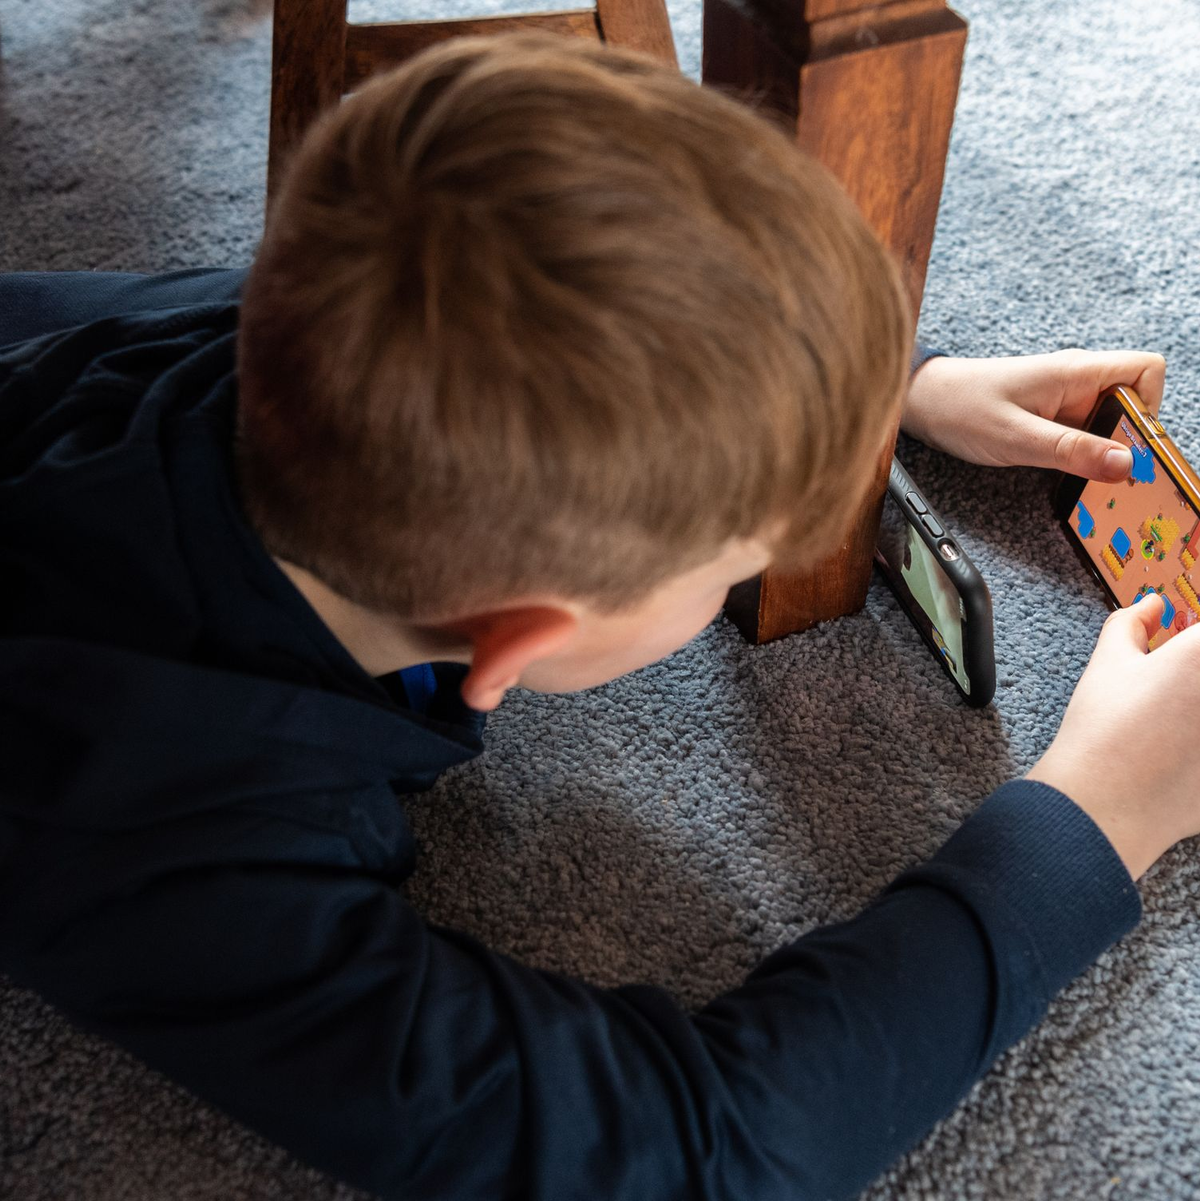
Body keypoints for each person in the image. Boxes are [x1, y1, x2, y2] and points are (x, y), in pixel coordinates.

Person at [0, 30, 1188, 1201]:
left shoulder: (281, 318)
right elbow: (698, 1150)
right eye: (737, 560)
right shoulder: (162, 835)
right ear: (523, 640)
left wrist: (885, 384)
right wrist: (1095, 812)